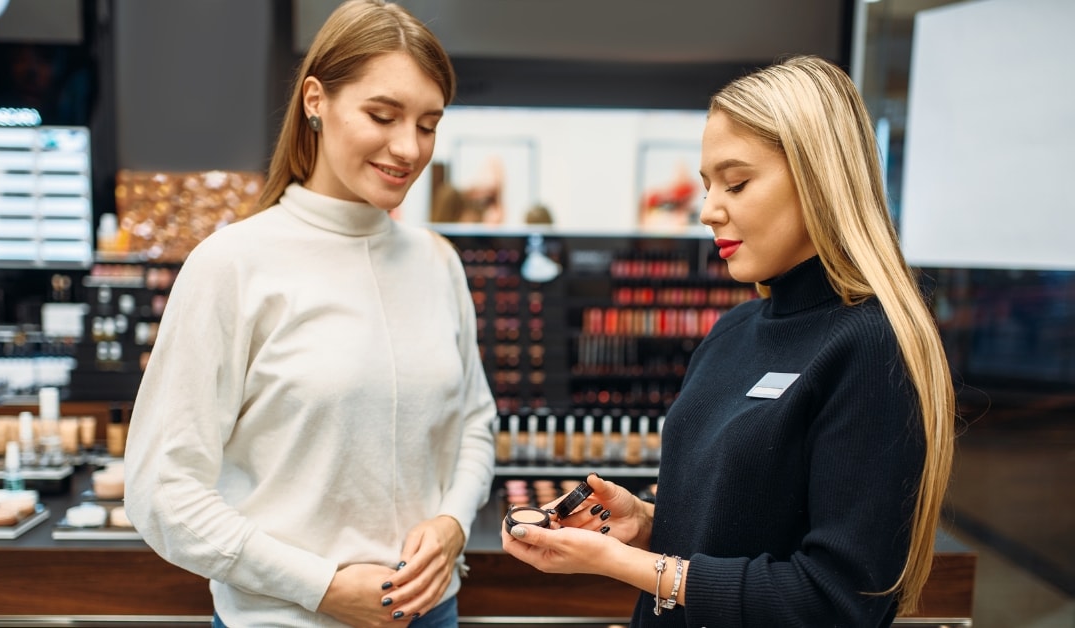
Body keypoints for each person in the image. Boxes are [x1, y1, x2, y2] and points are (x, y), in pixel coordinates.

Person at [501, 55, 955, 627]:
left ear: (820, 177)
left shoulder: (871, 346)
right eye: (707, 185)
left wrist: (630, 566)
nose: (709, 210)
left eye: (736, 183)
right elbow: (737, 527)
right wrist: (644, 523)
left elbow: (838, 602)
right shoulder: (732, 332)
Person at [123, 2, 497, 626]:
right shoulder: (232, 265)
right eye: (383, 115)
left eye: (428, 124)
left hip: (431, 613)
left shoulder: (438, 262)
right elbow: (163, 490)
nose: (408, 147)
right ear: (315, 100)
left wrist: (453, 522)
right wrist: (319, 586)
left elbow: (473, 427)